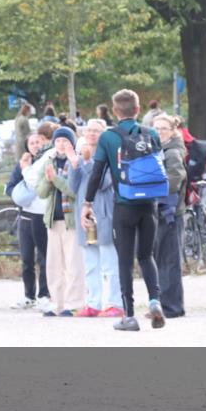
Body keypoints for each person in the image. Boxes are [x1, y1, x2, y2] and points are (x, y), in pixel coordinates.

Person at [82, 89, 165, 331]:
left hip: (124, 204)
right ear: (138, 110)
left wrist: (87, 203)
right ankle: (155, 301)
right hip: (149, 204)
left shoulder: (108, 138)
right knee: (147, 256)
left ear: (115, 111)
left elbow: (97, 173)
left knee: (125, 260)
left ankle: (129, 315)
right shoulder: (150, 134)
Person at [68, 119, 123, 317]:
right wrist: (75, 165)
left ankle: (116, 303)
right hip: (84, 215)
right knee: (91, 265)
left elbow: (103, 182)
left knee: (109, 262)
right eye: (89, 130)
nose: (91, 134)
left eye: (96, 131)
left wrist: (89, 162)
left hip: (104, 213)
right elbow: (72, 188)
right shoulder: (80, 154)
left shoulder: (110, 155)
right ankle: (93, 303)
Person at [29, 126, 85, 316]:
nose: (61, 144)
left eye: (66, 141)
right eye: (58, 141)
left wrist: (56, 180)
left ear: (73, 143)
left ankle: (73, 302)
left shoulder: (77, 162)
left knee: (73, 263)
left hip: (71, 220)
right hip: (53, 219)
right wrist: (48, 179)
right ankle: (57, 303)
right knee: (54, 265)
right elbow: (42, 192)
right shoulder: (49, 161)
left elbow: (73, 190)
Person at [5, 132, 50, 309]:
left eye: (38, 142)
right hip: (25, 216)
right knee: (26, 258)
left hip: (41, 215)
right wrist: (21, 196)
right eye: (31, 142)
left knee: (44, 257)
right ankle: (28, 295)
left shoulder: (46, 161)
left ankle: (45, 294)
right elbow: (10, 187)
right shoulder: (21, 165)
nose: (35, 145)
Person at [152, 114, 187, 318]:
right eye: (156, 128)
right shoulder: (160, 150)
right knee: (162, 259)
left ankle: (173, 307)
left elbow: (174, 181)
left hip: (171, 212)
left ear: (172, 131)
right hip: (163, 211)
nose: (159, 132)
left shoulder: (172, 152)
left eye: (163, 128)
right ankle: (165, 304)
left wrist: (152, 189)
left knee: (170, 261)